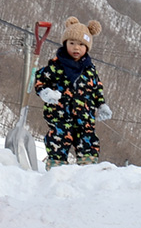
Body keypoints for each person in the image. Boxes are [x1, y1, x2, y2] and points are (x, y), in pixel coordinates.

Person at [34, 17, 112, 169]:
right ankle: (56, 166)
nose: (76, 48)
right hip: (60, 114)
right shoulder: (57, 65)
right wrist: (45, 92)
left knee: (87, 139)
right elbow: (40, 79)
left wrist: (101, 105)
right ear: (65, 44)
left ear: (87, 47)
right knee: (59, 139)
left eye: (81, 44)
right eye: (72, 43)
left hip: (84, 116)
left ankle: (88, 168)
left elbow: (96, 89)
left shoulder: (89, 69)